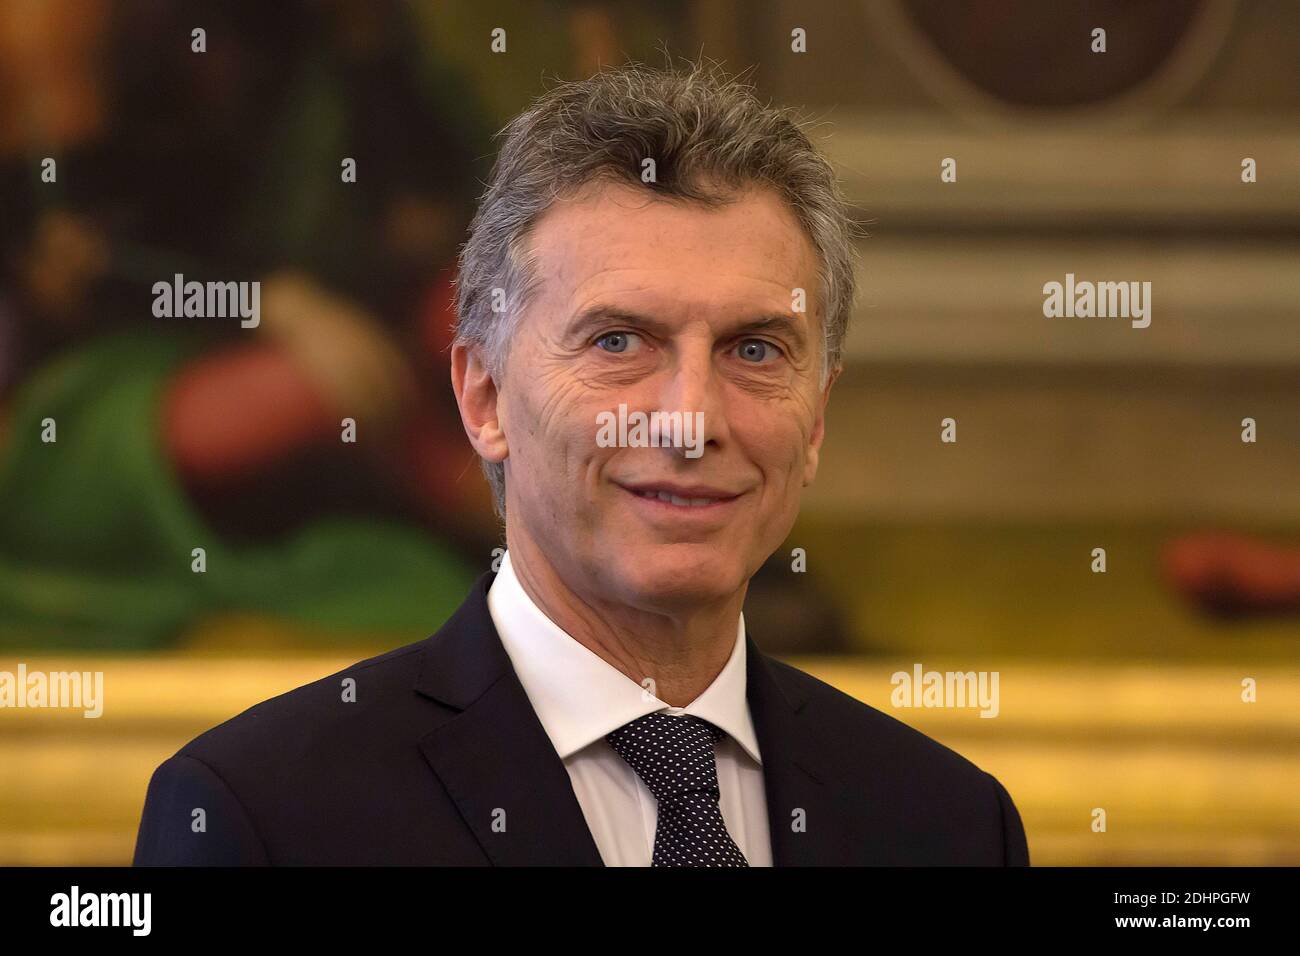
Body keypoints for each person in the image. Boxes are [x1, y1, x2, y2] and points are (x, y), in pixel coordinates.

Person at [134, 60, 1030, 866]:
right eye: (617, 341)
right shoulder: (260, 818)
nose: (691, 421)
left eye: (755, 352)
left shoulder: (949, 827)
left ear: (817, 418)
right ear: (485, 400)